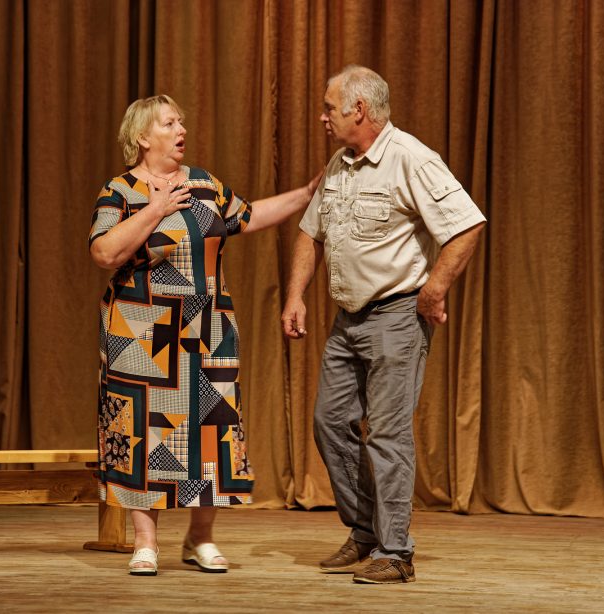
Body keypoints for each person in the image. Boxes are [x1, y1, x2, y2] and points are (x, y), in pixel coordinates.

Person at [89, 94, 321, 576]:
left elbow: (249, 216)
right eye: (169, 123)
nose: (181, 130)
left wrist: (305, 193)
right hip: (140, 331)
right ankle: (146, 543)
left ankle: (200, 538)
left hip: (207, 328)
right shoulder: (120, 191)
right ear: (142, 137)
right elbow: (105, 253)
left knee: (212, 429)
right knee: (140, 431)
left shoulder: (203, 184)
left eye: (181, 122)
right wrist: (154, 210)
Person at [281, 65, 486, 584]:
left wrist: (434, 289)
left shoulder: (411, 158)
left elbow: (466, 225)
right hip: (347, 319)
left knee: (388, 433)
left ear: (359, 110)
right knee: (330, 423)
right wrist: (296, 295)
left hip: (397, 315)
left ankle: (396, 553)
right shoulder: (339, 164)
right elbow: (310, 233)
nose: (323, 117)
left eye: (329, 107)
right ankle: (366, 533)